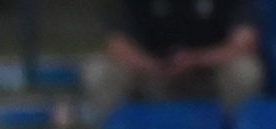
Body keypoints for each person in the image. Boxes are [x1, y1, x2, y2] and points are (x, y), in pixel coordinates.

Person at [85, 0, 266, 117]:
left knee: (245, 70)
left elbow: (245, 43)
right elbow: (117, 43)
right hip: (155, 75)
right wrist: (152, 66)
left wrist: (196, 59)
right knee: (99, 70)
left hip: (208, 78)